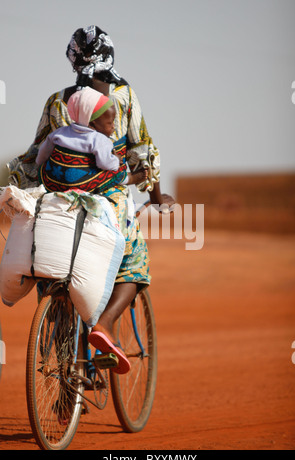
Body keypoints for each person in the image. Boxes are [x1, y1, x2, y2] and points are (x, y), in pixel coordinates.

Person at [7, 25, 175, 374]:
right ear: (111, 56)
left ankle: (63, 359)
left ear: (72, 59)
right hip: (108, 201)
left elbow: (33, 157)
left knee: (54, 266)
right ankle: (106, 325)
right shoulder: (123, 97)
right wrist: (157, 197)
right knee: (134, 263)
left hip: (57, 202)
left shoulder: (57, 100)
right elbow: (143, 152)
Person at [36, 86, 148, 192]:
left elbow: (43, 153)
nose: (114, 126)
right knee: (113, 173)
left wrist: (40, 164)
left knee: (45, 167)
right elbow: (104, 163)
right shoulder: (100, 140)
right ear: (92, 124)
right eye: (110, 122)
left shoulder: (61, 132)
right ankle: (130, 178)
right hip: (81, 184)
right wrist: (116, 160)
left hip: (53, 182)